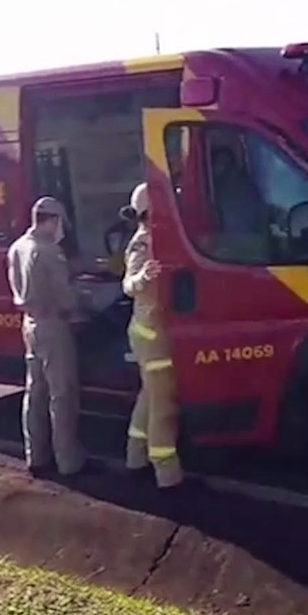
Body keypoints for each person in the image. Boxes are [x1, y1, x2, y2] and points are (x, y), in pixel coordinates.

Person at [6, 196, 88, 478]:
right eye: (59, 222)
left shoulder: (17, 247)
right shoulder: (49, 251)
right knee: (62, 395)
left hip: (29, 324)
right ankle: (69, 461)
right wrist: (82, 304)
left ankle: (36, 456)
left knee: (35, 393)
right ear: (52, 220)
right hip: (54, 326)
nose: (60, 228)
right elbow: (65, 297)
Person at [121, 183, 184, 489]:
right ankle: (167, 475)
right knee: (164, 405)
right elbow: (128, 285)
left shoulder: (157, 239)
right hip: (151, 335)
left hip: (151, 331)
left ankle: (135, 458)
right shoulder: (142, 244)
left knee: (149, 397)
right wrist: (143, 277)